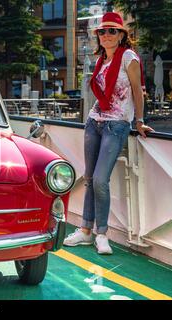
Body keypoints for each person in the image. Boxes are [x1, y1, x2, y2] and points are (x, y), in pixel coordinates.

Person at [64, 12, 154, 254]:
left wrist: (140, 121)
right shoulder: (102, 60)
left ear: (122, 35)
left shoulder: (129, 57)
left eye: (112, 31)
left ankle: (101, 234)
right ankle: (84, 231)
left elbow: (137, 90)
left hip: (117, 124)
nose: (106, 35)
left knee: (101, 180)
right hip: (94, 122)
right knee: (91, 178)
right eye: (102, 31)